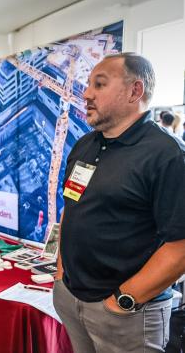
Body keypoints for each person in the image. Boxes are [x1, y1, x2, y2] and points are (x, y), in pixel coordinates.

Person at [53, 53, 185, 353]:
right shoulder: (85, 144)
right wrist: (62, 275)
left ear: (134, 91)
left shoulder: (167, 154)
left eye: (99, 84)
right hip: (72, 298)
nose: (86, 93)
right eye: (88, 84)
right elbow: (72, 208)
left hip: (127, 313)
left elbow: (180, 245)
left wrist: (125, 300)